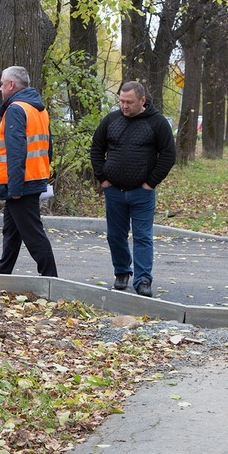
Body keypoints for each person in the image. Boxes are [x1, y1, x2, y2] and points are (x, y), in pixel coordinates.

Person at [90, 80, 176, 297]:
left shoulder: (157, 123)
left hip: (142, 192)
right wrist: (103, 179)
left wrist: (150, 184)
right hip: (114, 190)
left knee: (142, 236)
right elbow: (96, 149)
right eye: (121, 101)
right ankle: (121, 272)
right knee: (115, 235)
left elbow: (168, 155)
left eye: (129, 102)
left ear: (142, 101)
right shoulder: (111, 120)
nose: (124, 106)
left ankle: (143, 279)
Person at [0, 66, 57, 277]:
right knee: (12, 230)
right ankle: (3, 271)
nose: (0, 88)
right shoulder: (37, 108)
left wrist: (15, 187)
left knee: (32, 233)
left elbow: (15, 151)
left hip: (21, 182)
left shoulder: (16, 109)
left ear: (11, 84)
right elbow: (49, 147)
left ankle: (50, 278)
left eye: (2, 83)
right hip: (33, 177)